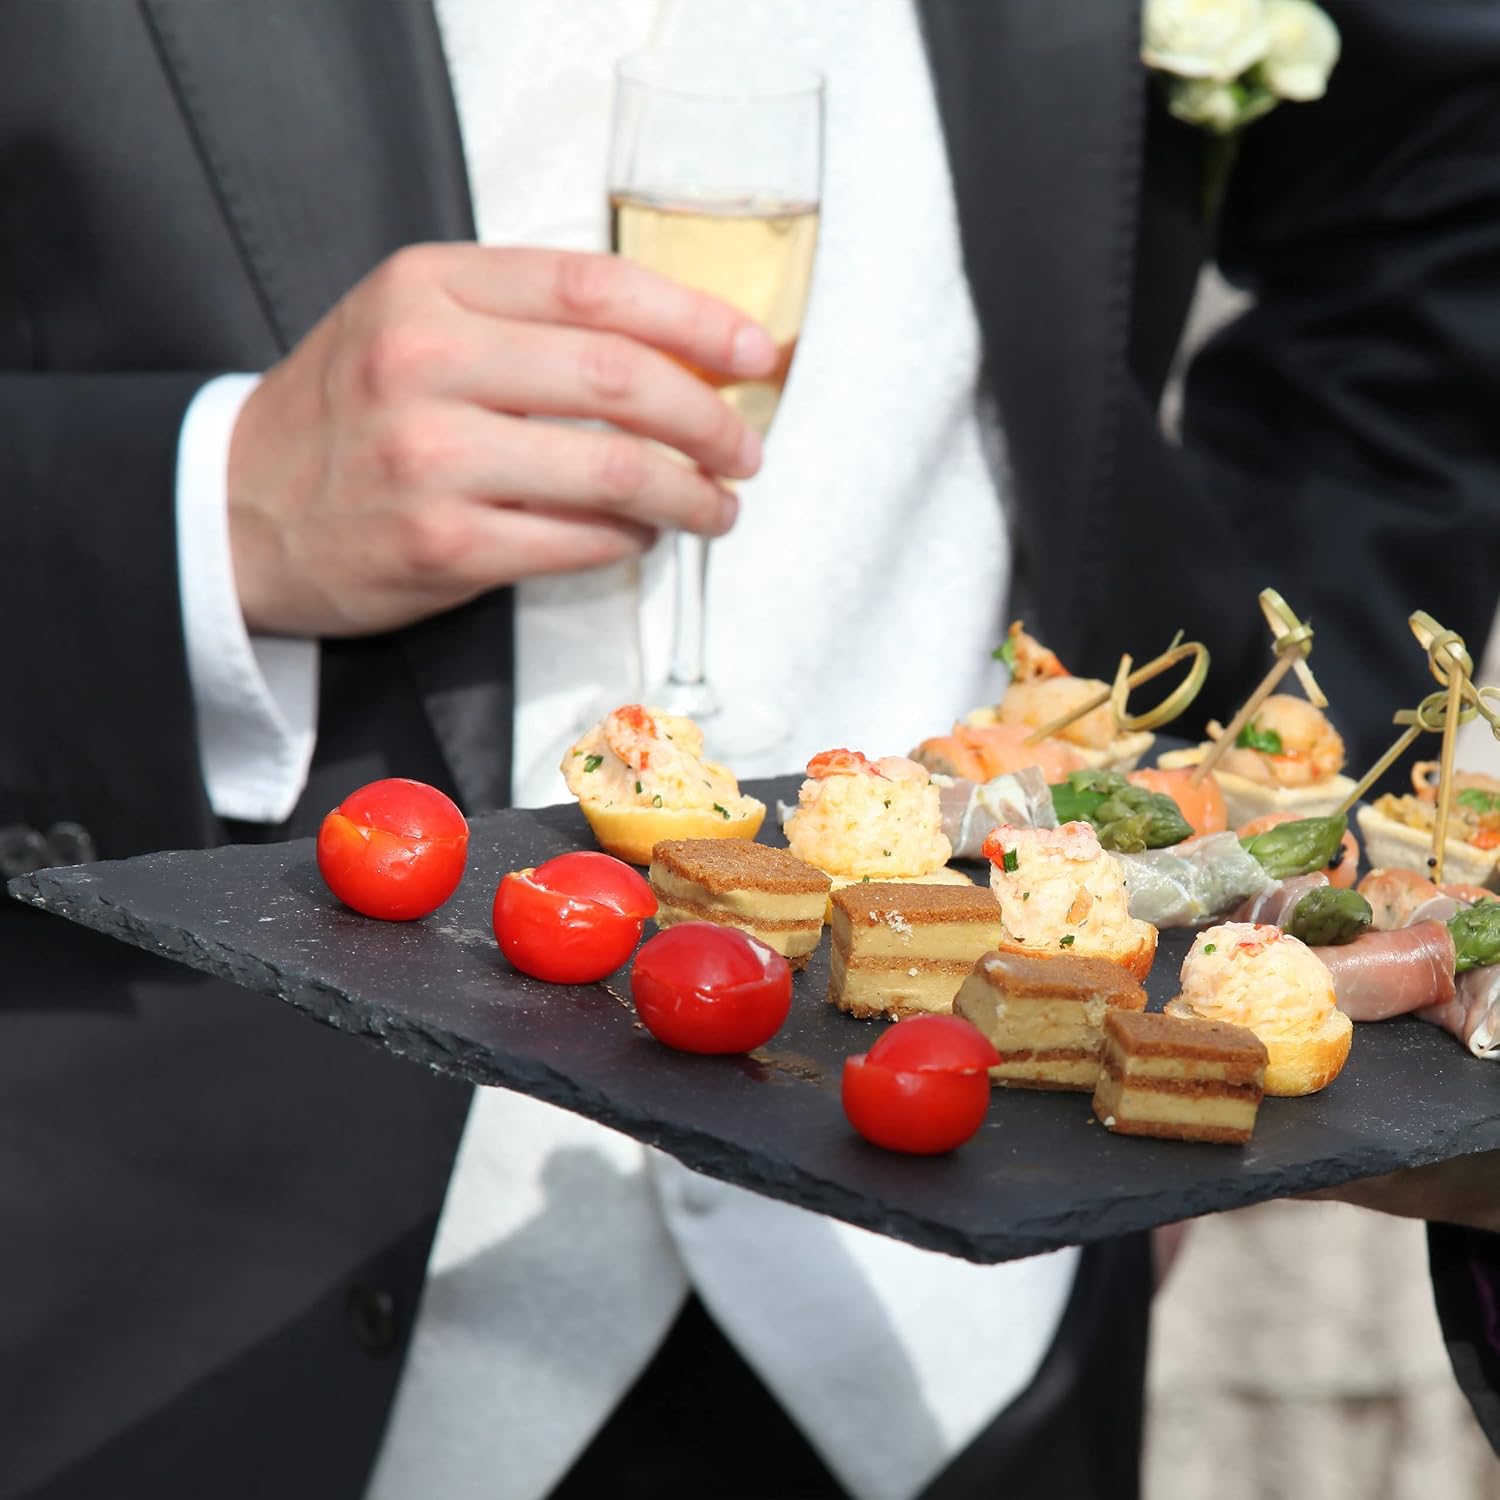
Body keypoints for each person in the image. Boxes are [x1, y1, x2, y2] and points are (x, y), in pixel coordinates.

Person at [1, 2, 1498, 1497]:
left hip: (975, 1335)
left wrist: (1250, 818)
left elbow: (1436, 184)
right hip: (207, 1277)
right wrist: (190, 511)